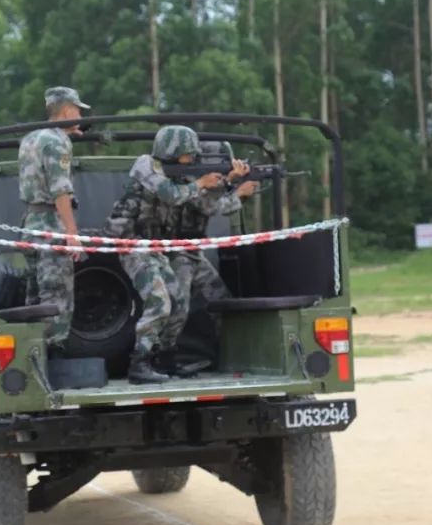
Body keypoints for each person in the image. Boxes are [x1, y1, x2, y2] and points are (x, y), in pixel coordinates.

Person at [104, 126, 224, 384]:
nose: (192, 159)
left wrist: (224, 183)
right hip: (132, 245)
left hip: (155, 246)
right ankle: (139, 363)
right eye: (188, 154)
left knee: (179, 301)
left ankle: (166, 360)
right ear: (173, 151)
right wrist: (200, 183)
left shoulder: (178, 177)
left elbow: (202, 204)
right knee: (160, 301)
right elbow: (169, 196)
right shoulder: (146, 166)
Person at [163, 143, 259, 366]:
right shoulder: (183, 181)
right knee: (178, 309)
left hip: (192, 253)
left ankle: (229, 355)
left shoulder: (197, 180)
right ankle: (163, 358)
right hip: (177, 253)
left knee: (222, 302)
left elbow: (214, 201)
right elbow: (210, 207)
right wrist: (237, 191)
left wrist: (232, 184)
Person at [17, 86, 89, 354]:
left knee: (35, 297)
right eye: (78, 110)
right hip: (51, 227)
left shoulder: (31, 138)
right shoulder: (58, 143)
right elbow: (61, 191)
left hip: (31, 226)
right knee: (57, 297)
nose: (80, 116)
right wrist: (72, 234)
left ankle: (34, 353)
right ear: (68, 110)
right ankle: (54, 356)